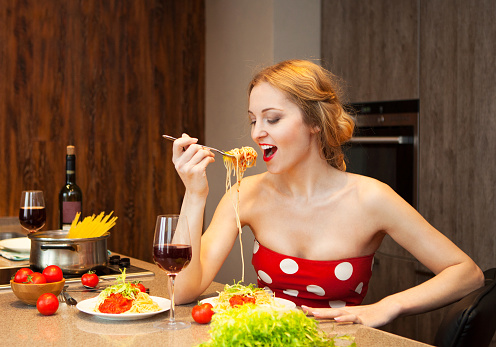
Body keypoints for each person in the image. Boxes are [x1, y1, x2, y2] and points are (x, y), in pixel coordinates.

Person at [170, 59, 484, 327]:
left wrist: (387, 306)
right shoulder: (245, 194)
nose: (257, 133)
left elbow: (467, 273)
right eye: (253, 120)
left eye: (273, 119)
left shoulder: (371, 198)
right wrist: (195, 195)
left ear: (315, 123)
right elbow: (182, 292)